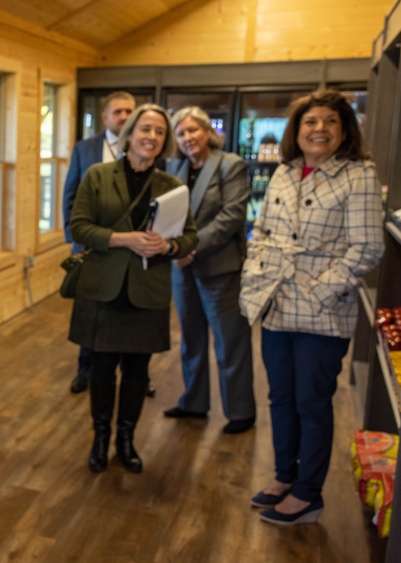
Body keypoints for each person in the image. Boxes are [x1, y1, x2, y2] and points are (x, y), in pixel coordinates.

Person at [240, 90, 384, 525]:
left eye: (329, 122)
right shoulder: (284, 172)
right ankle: (285, 475)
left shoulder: (358, 174)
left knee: (312, 401)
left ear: (344, 131)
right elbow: (261, 229)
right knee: (280, 396)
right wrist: (256, 274)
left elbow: (368, 247)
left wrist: (322, 288)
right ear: (296, 131)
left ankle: (309, 494)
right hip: (276, 303)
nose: (319, 128)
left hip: (323, 310)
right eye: (310, 122)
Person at [68, 104, 198, 474]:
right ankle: (99, 438)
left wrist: (167, 247)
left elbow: (190, 237)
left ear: (165, 140)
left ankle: (126, 439)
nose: (151, 137)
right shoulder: (97, 175)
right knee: (102, 368)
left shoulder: (173, 187)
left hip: (147, 290)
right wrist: (125, 239)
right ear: (130, 134)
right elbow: (79, 227)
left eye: (159, 131)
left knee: (138, 372)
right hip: (103, 288)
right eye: (145, 129)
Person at [164, 106, 256, 434]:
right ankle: (194, 402)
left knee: (230, 341)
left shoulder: (230, 164)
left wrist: (188, 247)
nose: (188, 138)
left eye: (193, 130)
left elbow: (232, 217)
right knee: (191, 339)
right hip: (182, 268)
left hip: (220, 269)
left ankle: (241, 411)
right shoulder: (175, 166)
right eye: (181, 133)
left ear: (207, 131)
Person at [62, 92, 144, 395]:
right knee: (89, 312)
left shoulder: (146, 148)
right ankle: (85, 370)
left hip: (133, 248)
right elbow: (70, 192)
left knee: (129, 312)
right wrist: (75, 238)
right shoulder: (85, 149)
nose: (124, 117)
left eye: (129, 112)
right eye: (118, 112)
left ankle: (134, 374)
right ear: (105, 117)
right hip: (92, 245)